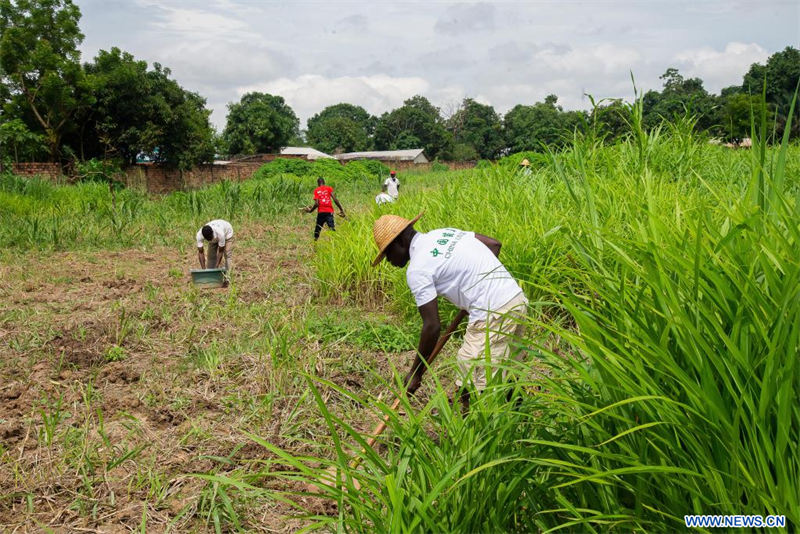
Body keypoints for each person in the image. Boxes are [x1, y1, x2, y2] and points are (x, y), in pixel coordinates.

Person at [371, 213, 527, 409]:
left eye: (387, 253)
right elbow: (494, 244)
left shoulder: (417, 269)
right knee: (505, 373)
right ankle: (522, 428)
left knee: (471, 381)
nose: (388, 260)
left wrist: (416, 373)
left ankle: (475, 435)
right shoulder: (444, 234)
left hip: (492, 311)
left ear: (400, 241)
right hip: (516, 300)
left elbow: (432, 326)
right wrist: (476, 285)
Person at [196, 219, 234, 285]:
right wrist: (204, 270)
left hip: (227, 233)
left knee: (227, 254)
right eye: (207, 239)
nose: (209, 239)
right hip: (215, 238)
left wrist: (216, 267)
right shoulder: (199, 235)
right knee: (211, 256)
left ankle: (227, 277)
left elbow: (220, 251)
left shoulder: (220, 233)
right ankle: (211, 277)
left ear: (212, 232)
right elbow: (201, 252)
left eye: (210, 237)